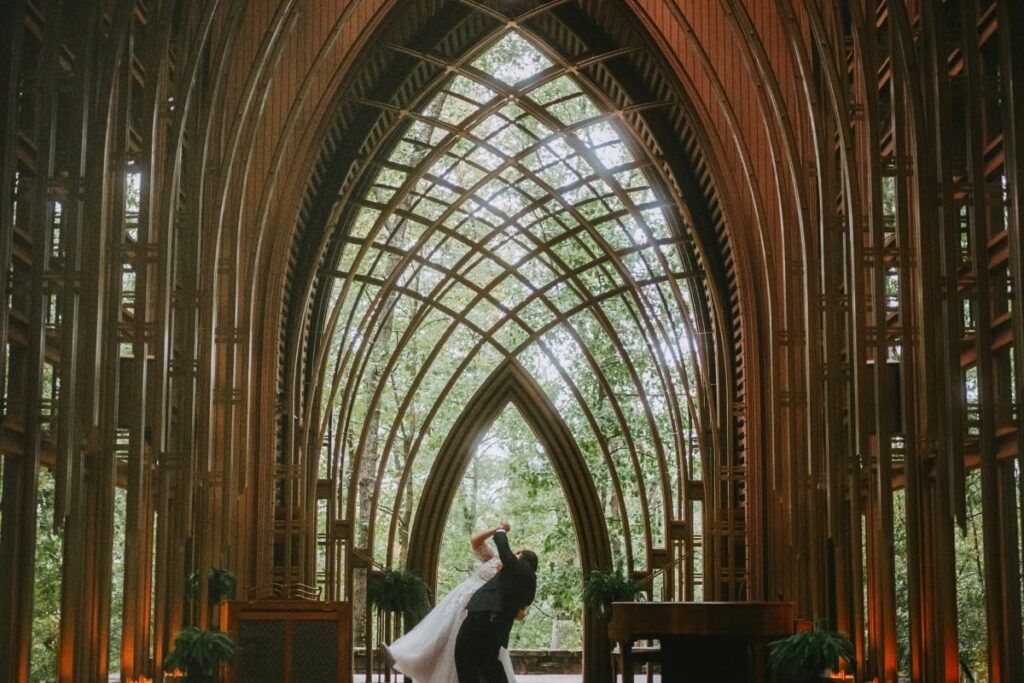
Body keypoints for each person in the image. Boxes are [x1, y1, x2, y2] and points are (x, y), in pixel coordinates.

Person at [384, 523, 527, 682]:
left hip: (479, 613)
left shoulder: (512, 577)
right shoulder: (494, 558)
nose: (516, 554)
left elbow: (519, 611)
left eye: (520, 555)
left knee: (465, 650)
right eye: (517, 552)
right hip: (459, 601)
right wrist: (497, 529)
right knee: (438, 634)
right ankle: (408, 657)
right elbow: (475, 541)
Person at [454, 524, 538, 683]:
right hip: (498, 626)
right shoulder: (530, 583)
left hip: (483, 618)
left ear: (520, 557)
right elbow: (520, 612)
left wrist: (501, 530)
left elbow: (503, 547)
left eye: (517, 554)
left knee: (464, 655)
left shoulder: (516, 567)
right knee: (489, 663)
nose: (513, 554)